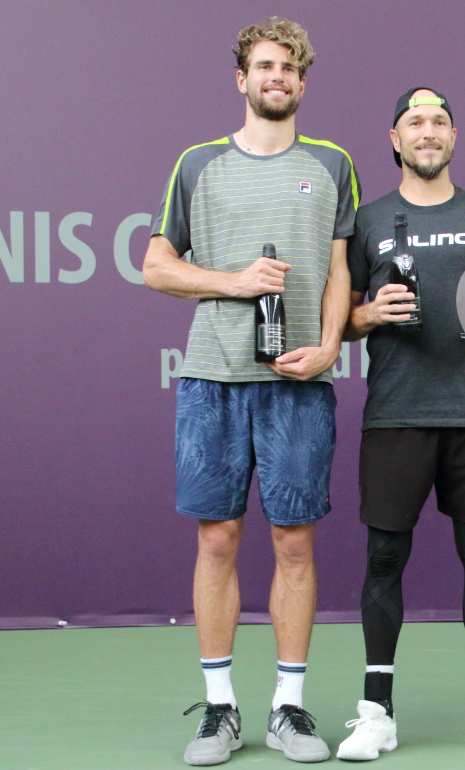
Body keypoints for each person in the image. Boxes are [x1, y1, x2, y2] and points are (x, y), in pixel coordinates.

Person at [143, 17, 359, 766]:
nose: (278, 77)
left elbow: (339, 271)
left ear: (302, 82)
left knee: (294, 543)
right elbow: (157, 264)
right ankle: (221, 708)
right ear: (242, 78)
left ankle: (289, 710)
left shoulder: (332, 163)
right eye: (265, 66)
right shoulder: (197, 165)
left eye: (290, 68)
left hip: (300, 379)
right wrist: (231, 282)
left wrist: (331, 345)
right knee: (217, 538)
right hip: (212, 377)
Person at [335, 87, 465, 761]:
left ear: (453, 136)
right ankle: (376, 713)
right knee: (384, 559)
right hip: (395, 415)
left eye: (440, 122)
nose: (428, 132)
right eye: (415, 122)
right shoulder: (367, 222)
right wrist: (369, 316)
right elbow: (337, 320)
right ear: (395, 139)